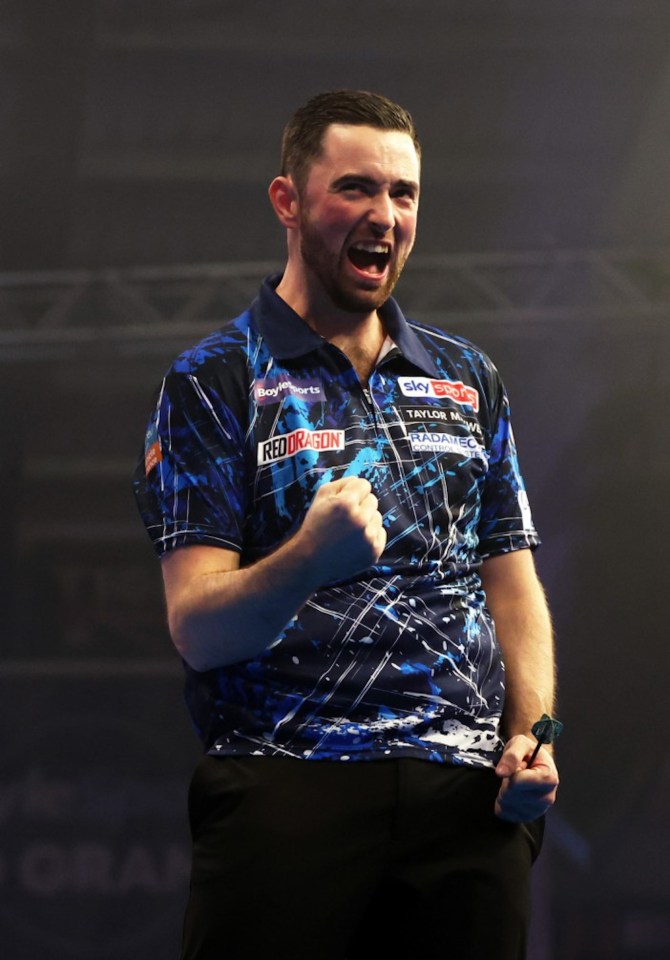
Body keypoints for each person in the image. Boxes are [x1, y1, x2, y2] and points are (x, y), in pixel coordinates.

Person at [134, 89, 559, 960]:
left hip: (466, 805)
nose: (385, 216)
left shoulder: (468, 378)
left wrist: (532, 733)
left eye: (403, 195)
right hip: (288, 785)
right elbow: (197, 630)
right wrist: (304, 561)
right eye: (356, 189)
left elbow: (512, 583)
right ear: (287, 201)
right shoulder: (213, 381)